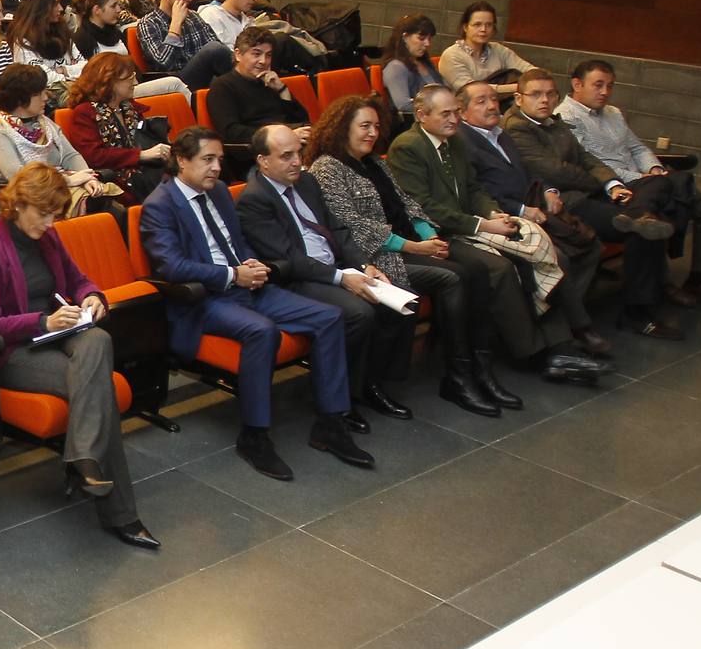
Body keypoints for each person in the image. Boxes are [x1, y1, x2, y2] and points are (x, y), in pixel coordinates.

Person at [139, 126, 373, 480]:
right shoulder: (159, 205)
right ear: (181, 161)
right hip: (205, 298)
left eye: (219, 160)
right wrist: (233, 275)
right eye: (207, 160)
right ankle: (254, 435)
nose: (217, 168)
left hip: (245, 285)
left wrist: (250, 263)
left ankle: (330, 422)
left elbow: (236, 242)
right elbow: (171, 265)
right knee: (261, 331)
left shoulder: (217, 192)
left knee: (329, 317)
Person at [0, 162, 157, 547]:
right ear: (18, 205)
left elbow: (78, 279)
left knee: (98, 340)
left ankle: (83, 457)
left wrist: (92, 297)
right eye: (44, 213)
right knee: (98, 387)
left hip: (60, 332)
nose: (50, 223)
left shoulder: (47, 238)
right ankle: (122, 515)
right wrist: (43, 321)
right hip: (14, 351)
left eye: (55, 215)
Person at [386, 85, 613, 385]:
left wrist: (493, 213)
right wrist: (482, 225)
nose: (454, 119)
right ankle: (532, 353)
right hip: (438, 236)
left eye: (456, 111)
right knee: (501, 268)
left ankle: (562, 348)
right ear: (421, 115)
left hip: (473, 223)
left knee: (545, 254)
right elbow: (424, 207)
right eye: (446, 114)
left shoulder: (455, 142)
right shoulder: (408, 147)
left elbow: (475, 189)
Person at [306, 96, 504, 417]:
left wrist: (429, 236)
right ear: (343, 128)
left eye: (376, 125)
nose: (372, 132)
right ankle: (453, 375)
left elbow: (407, 203)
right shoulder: (327, 168)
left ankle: (474, 367)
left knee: (475, 271)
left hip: (410, 244)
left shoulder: (375, 162)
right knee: (452, 278)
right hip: (378, 255)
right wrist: (415, 247)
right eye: (364, 126)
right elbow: (353, 226)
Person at [240, 122, 420, 422]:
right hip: (298, 280)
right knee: (360, 312)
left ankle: (371, 383)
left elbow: (337, 229)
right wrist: (342, 277)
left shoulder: (307, 183)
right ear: (263, 161)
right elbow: (290, 260)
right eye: (286, 156)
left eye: (298, 153)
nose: (297, 161)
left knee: (399, 299)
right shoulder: (254, 199)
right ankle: (344, 395)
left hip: (336, 266)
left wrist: (364, 266)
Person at [506, 68, 684, 338]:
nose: (545, 100)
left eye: (550, 94)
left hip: (589, 193)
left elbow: (586, 156)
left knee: (661, 183)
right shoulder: (518, 127)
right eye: (536, 94)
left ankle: (639, 216)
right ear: (519, 99)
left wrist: (612, 184)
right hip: (567, 203)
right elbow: (556, 172)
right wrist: (599, 183)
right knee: (644, 230)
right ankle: (637, 312)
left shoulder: (554, 122)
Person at [557, 60, 701, 311]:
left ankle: (699, 280)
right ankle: (659, 282)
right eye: (598, 85)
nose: (605, 92)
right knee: (661, 204)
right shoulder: (565, 118)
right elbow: (592, 165)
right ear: (577, 84)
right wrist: (644, 179)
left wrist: (654, 169)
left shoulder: (613, 113)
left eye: (610, 86)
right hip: (615, 186)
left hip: (647, 178)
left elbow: (638, 148)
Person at [457, 80, 608, 353]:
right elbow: (478, 192)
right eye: (481, 101)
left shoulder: (501, 134)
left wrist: (548, 189)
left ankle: (567, 314)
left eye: (493, 99)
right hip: (503, 215)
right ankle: (573, 330)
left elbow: (528, 170)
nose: (492, 105)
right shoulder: (463, 141)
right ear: (462, 110)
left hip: (534, 206)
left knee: (589, 245)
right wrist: (520, 210)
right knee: (556, 255)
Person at [0, 64, 109, 213]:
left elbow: (70, 155)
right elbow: (21, 180)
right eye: (39, 93)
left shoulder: (46, 123)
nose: (46, 97)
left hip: (61, 188)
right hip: (31, 202)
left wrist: (88, 178)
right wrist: (68, 181)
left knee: (102, 197)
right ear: (20, 99)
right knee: (101, 206)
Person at [63, 52, 173, 203]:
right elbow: (93, 157)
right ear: (109, 82)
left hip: (144, 172)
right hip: (115, 179)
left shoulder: (129, 107)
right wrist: (140, 155)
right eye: (129, 78)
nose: (135, 82)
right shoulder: (85, 112)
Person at [207, 27, 309, 147]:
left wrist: (282, 89)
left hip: (290, 143)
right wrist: (284, 136)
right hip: (256, 153)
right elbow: (231, 132)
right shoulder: (222, 86)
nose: (263, 61)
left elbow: (302, 119)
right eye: (256, 54)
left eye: (268, 55)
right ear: (238, 54)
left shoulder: (270, 82)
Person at [136, 0, 233, 90]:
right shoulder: (148, 23)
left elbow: (219, 51)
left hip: (204, 76)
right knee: (213, 49)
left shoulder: (193, 16)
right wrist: (175, 25)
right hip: (174, 82)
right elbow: (163, 63)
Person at [8, 0, 81, 105]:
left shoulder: (62, 31)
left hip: (73, 90)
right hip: (47, 101)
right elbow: (43, 78)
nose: (61, 9)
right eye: (55, 4)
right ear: (42, 8)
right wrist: (72, 74)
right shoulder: (23, 41)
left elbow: (85, 67)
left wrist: (63, 70)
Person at [439, 1, 532, 95]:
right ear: (465, 27)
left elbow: (528, 69)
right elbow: (471, 90)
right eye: (477, 25)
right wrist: (518, 87)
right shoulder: (452, 55)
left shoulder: (498, 50)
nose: (483, 29)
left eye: (489, 25)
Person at [380, 14, 443, 128]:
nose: (427, 44)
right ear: (405, 37)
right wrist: (440, 107)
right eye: (421, 38)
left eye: (429, 38)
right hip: (412, 126)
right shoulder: (396, 67)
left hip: (435, 121)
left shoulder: (425, 63)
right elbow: (403, 105)